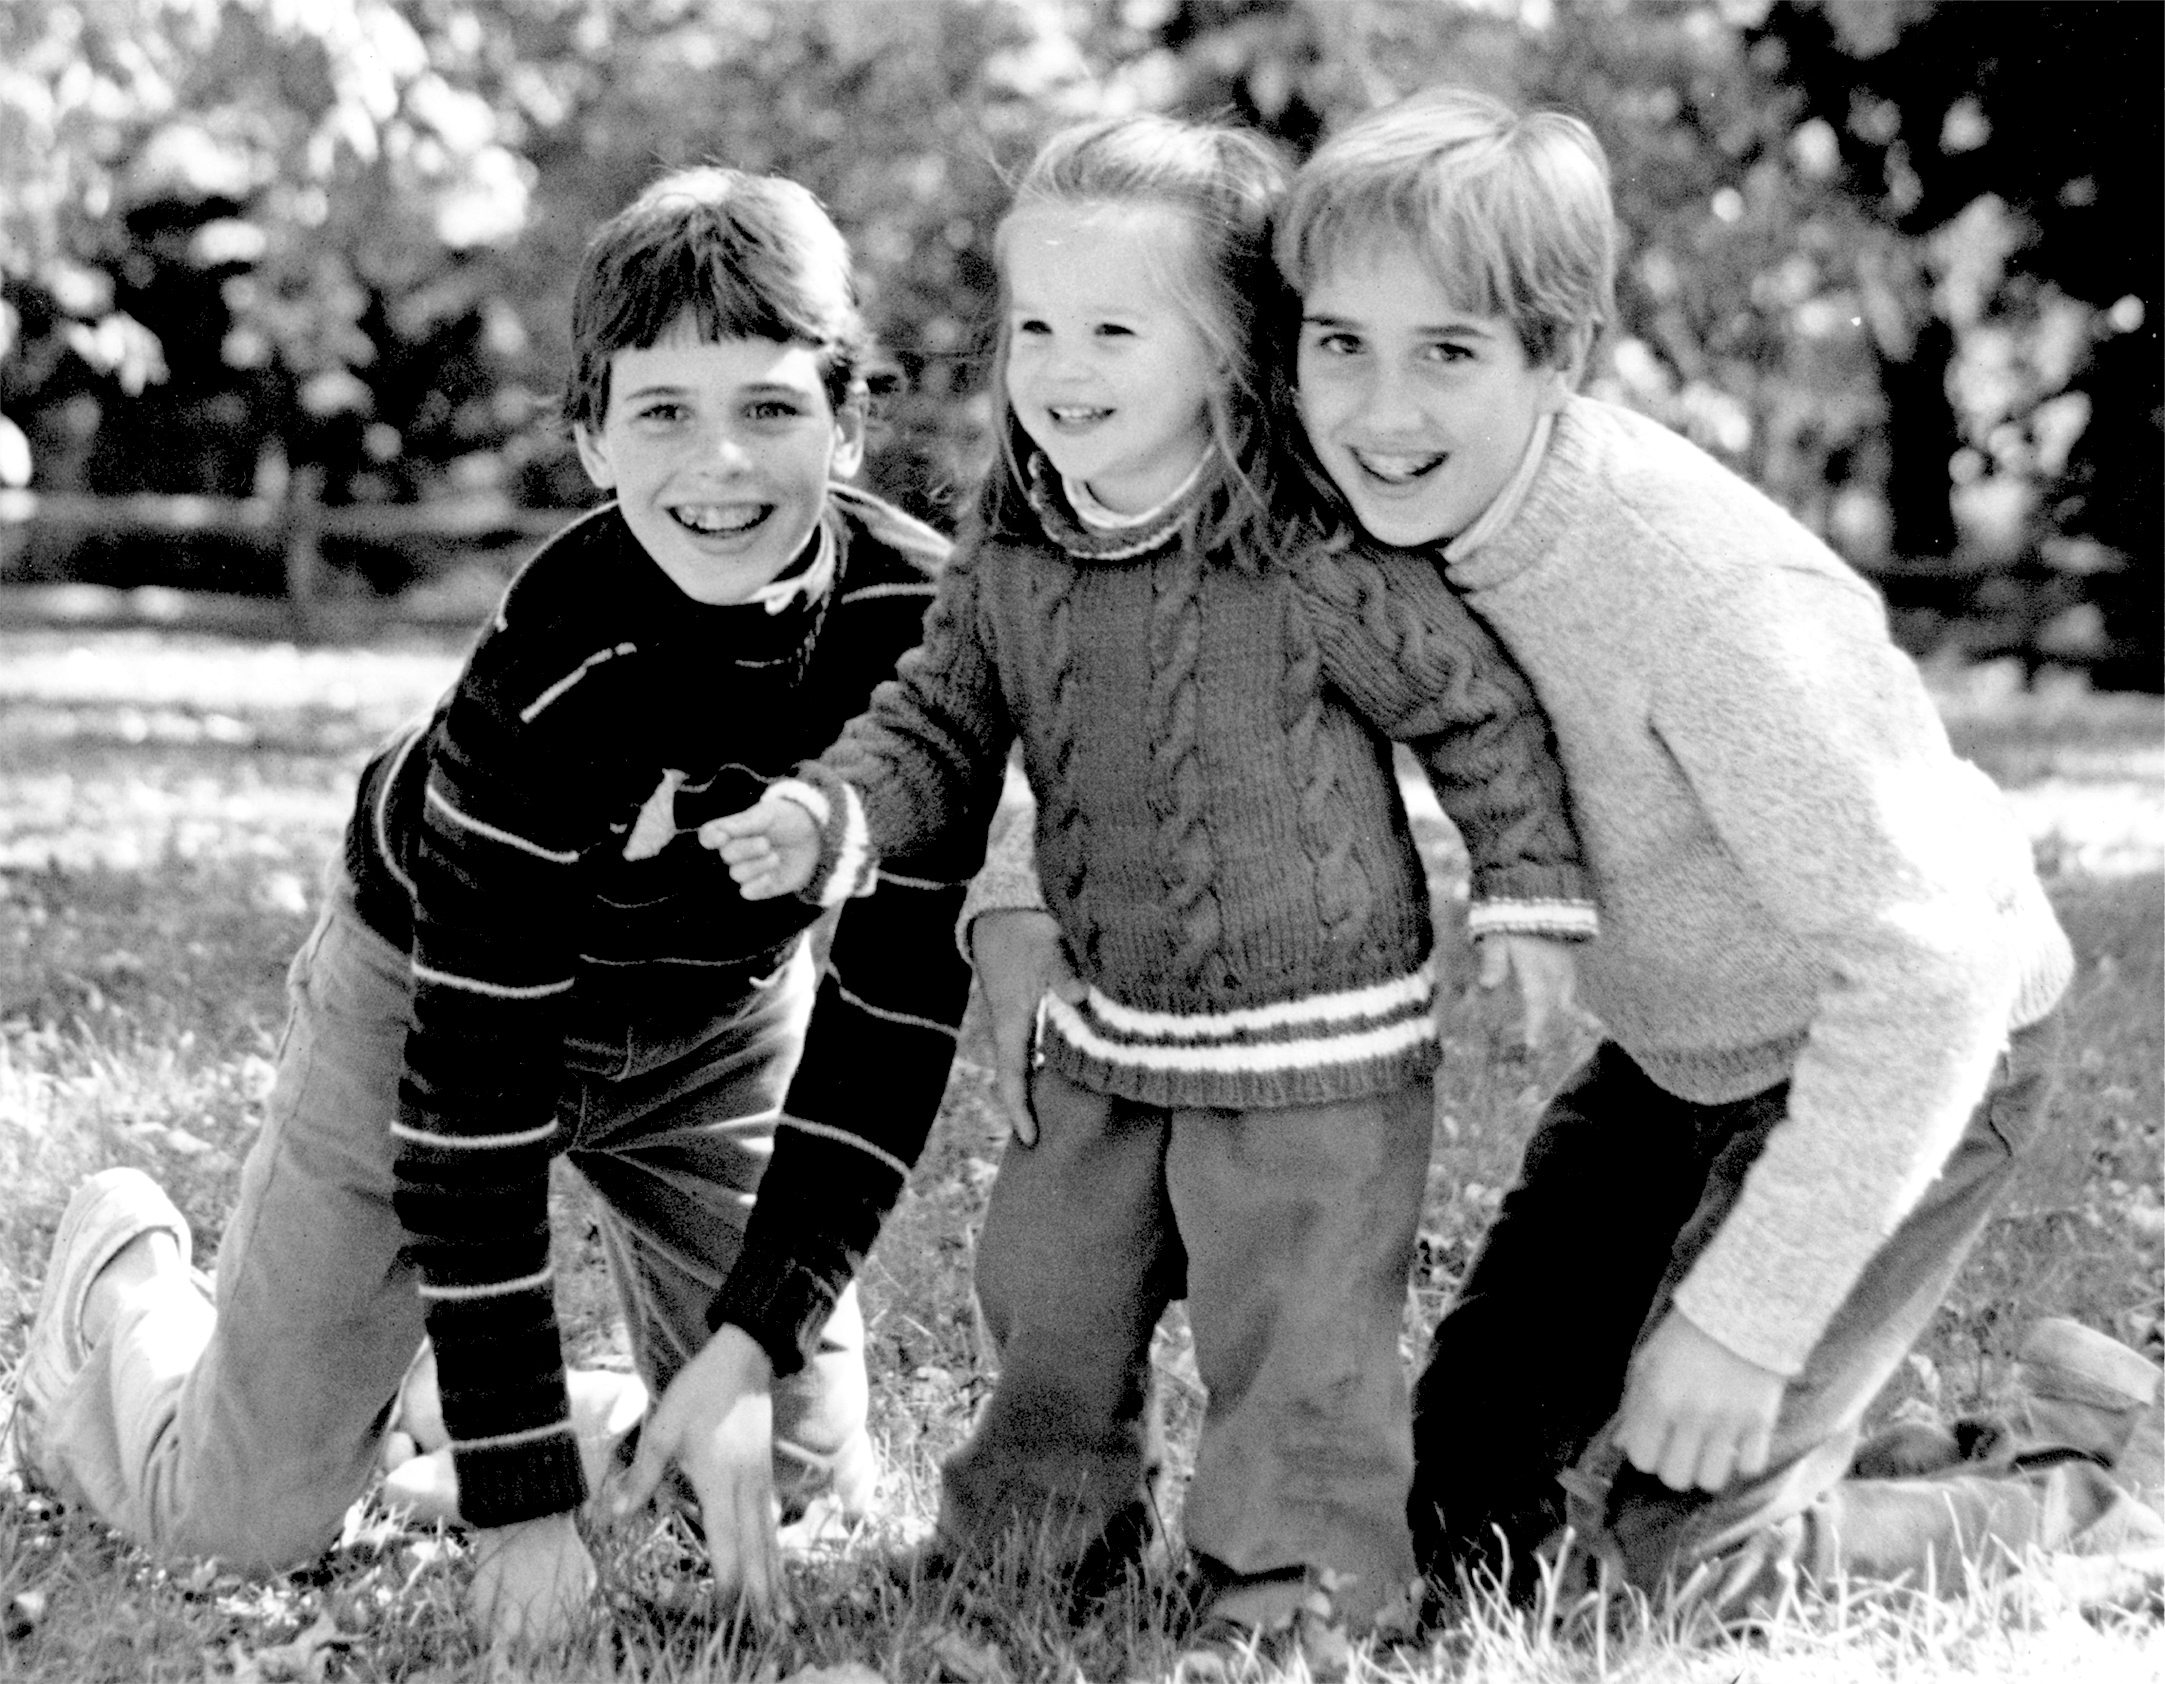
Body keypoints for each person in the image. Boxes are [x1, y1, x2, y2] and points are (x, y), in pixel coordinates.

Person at [9, 165, 979, 1650]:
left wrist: (759, 1326)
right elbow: (473, 1114)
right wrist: (523, 1511)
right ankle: (126, 1287)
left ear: (847, 421)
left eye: (771, 407)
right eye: (663, 411)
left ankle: (443, 1385)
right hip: (432, 1002)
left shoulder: (919, 637)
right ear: (591, 437)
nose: (719, 461)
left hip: (714, 1021)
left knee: (785, 1477)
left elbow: (892, 1023)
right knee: (245, 1526)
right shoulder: (545, 678)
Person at [1265, 83, 2164, 1615]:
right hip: (1679, 1068)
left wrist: (1748, 1317)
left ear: (1558, 355)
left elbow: (1928, 972)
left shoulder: (1703, 600)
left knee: (1659, 1572)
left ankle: (2086, 1500)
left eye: (1448, 353)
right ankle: (2028, 1424)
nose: (1378, 409)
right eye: (1338, 343)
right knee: (1460, 1514)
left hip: (1903, 1059)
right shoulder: (1388, 516)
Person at [705, 113, 1597, 1642]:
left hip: (1317, 1049)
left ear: (1229, 350)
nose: (1060, 363)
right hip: (1110, 1025)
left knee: (1296, 1337)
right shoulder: (1010, 560)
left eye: (1113, 327)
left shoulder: (1311, 559)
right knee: (1049, 1295)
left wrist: (1523, 884)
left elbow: (1471, 709)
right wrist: (829, 813)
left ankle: (1292, 1586)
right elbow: (934, 725)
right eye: (1035, 324)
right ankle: (1037, 1540)